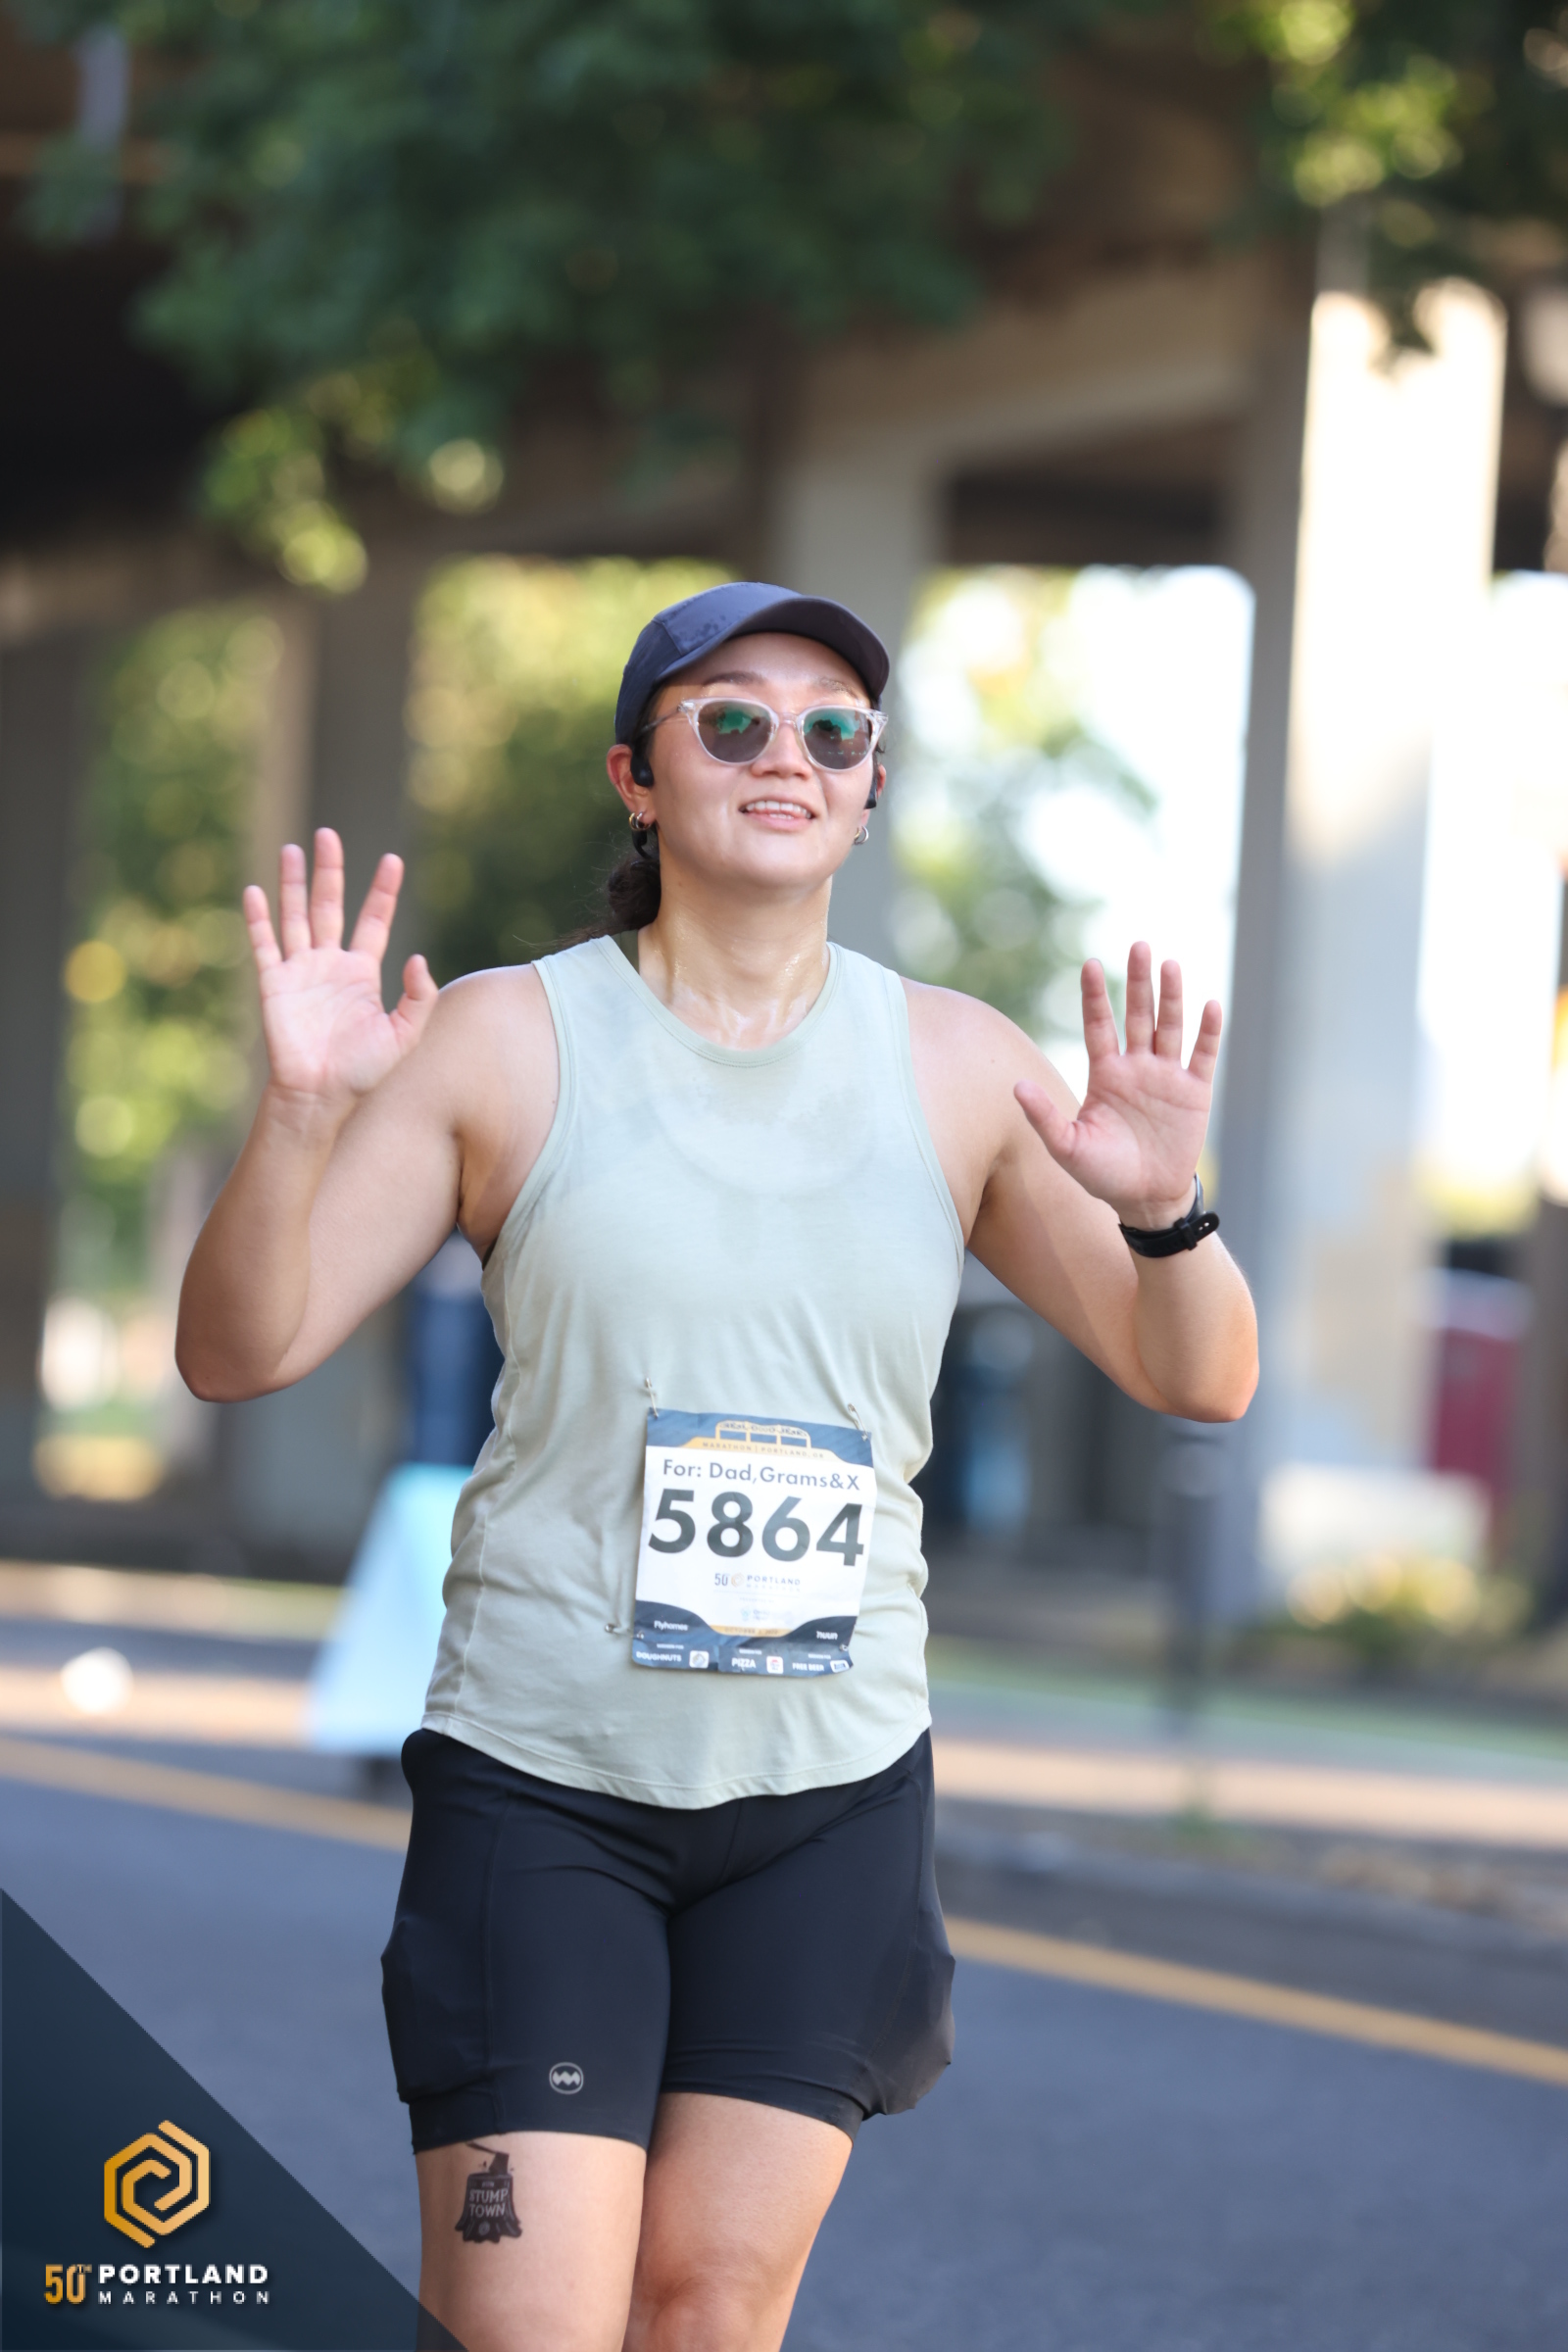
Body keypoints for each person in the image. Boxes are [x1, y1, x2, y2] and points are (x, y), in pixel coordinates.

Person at [177, 579, 1257, 2352]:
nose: (787, 756)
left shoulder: (960, 1066)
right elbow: (241, 1351)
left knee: (708, 2313)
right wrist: (300, 1113)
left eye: (833, 730)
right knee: (530, 2324)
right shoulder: (507, 1037)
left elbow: (1198, 1375)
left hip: (828, 1789)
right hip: (549, 1776)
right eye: (733, 719)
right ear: (639, 776)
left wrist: (1166, 1211)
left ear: (871, 785)